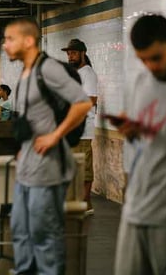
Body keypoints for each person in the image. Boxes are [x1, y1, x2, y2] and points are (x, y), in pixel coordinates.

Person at [105, 14, 166, 275]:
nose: (150, 66)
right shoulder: (142, 82)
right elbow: (147, 136)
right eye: (143, 60)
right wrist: (131, 129)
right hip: (135, 209)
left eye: (156, 58)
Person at [3, 17, 91, 275]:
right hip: (26, 169)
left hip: (47, 169)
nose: (5, 45)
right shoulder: (25, 72)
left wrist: (55, 136)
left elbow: (83, 103)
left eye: (10, 39)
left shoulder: (48, 68)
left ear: (29, 41)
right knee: (20, 232)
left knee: (44, 236)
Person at [61, 38, 98, 213]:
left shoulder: (87, 73)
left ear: (83, 53)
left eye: (74, 53)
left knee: (83, 167)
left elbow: (91, 100)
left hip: (82, 129)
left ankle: (86, 203)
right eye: (69, 53)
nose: (70, 56)